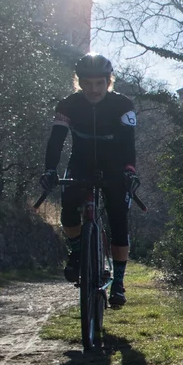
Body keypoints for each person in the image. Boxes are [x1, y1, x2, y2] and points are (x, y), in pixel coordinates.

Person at [39, 53, 137, 309]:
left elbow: (128, 142)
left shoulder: (123, 105)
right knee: (69, 209)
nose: (94, 89)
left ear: (108, 82)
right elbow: (57, 139)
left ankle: (119, 282)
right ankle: (77, 251)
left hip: (114, 164)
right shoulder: (67, 105)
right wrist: (50, 169)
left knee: (118, 219)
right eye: (88, 83)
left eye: (99, 83)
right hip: (80, 162)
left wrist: (129, 169)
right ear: (79, 83)